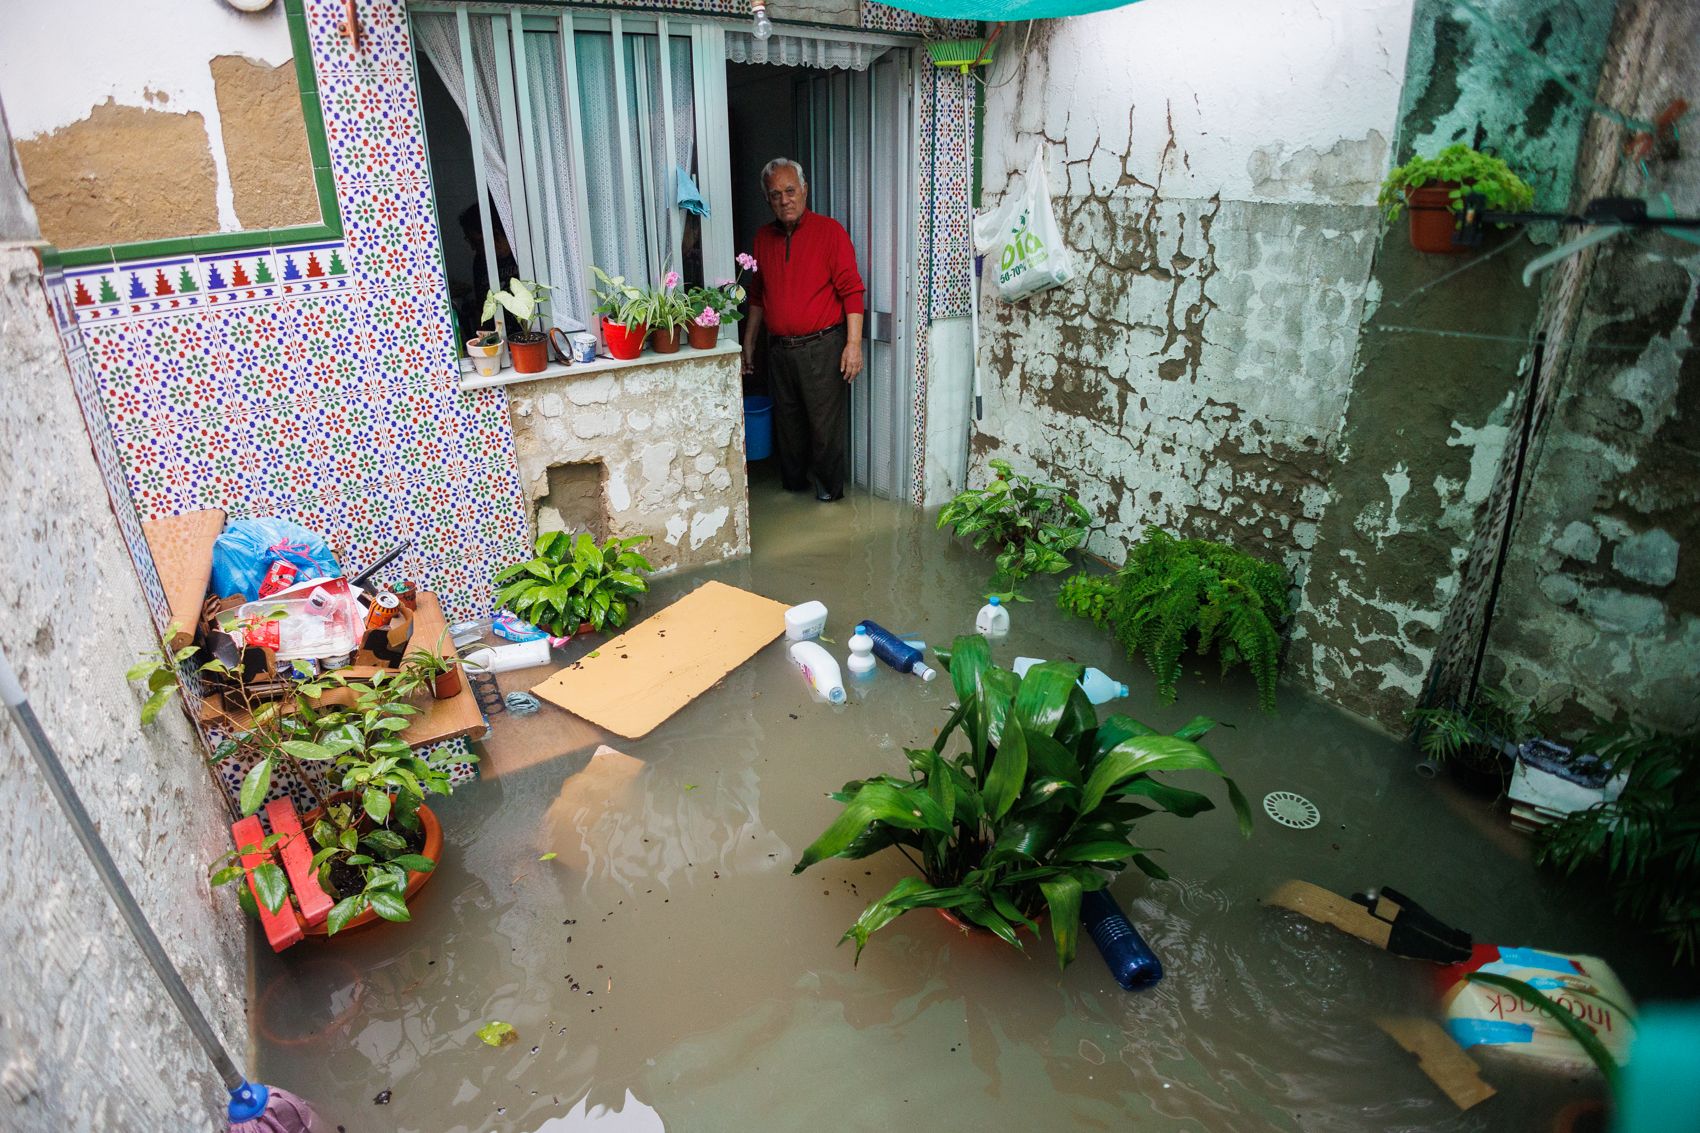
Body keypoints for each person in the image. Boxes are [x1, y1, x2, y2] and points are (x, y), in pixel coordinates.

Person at [742, 158, 865, 501]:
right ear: (768, 199)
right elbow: (757, 295)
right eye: (776, 194)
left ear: (804, 190)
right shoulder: (763, 238)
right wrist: (749, 342)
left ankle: (829, 500)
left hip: (822, 347)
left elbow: (852, 290)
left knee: (824, 430)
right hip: (779, 348)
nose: (785, 200)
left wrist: (853, 345)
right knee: (788, 428)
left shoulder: (830, 232)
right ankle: (793, 493)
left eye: (790, 190)